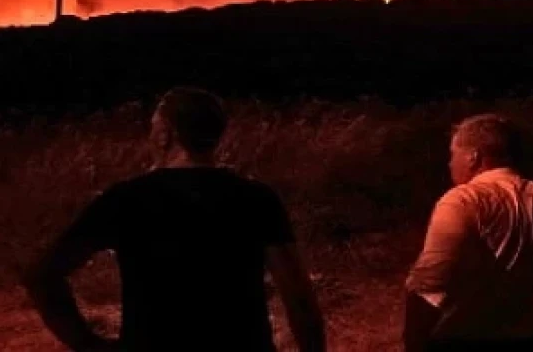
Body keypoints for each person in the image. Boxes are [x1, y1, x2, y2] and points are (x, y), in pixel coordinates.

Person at [23, 86, 325, 352]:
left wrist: (87, 344)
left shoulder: (126, 200)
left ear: (166, 135)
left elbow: (43, 274)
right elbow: (299, 299)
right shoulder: (257, 198)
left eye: (154, 127)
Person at [404, 114, 533, 352]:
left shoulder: (462, 201)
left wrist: (414, 343)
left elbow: (429, 286)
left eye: (453, 154)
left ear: (473, 157)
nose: (450, 164)